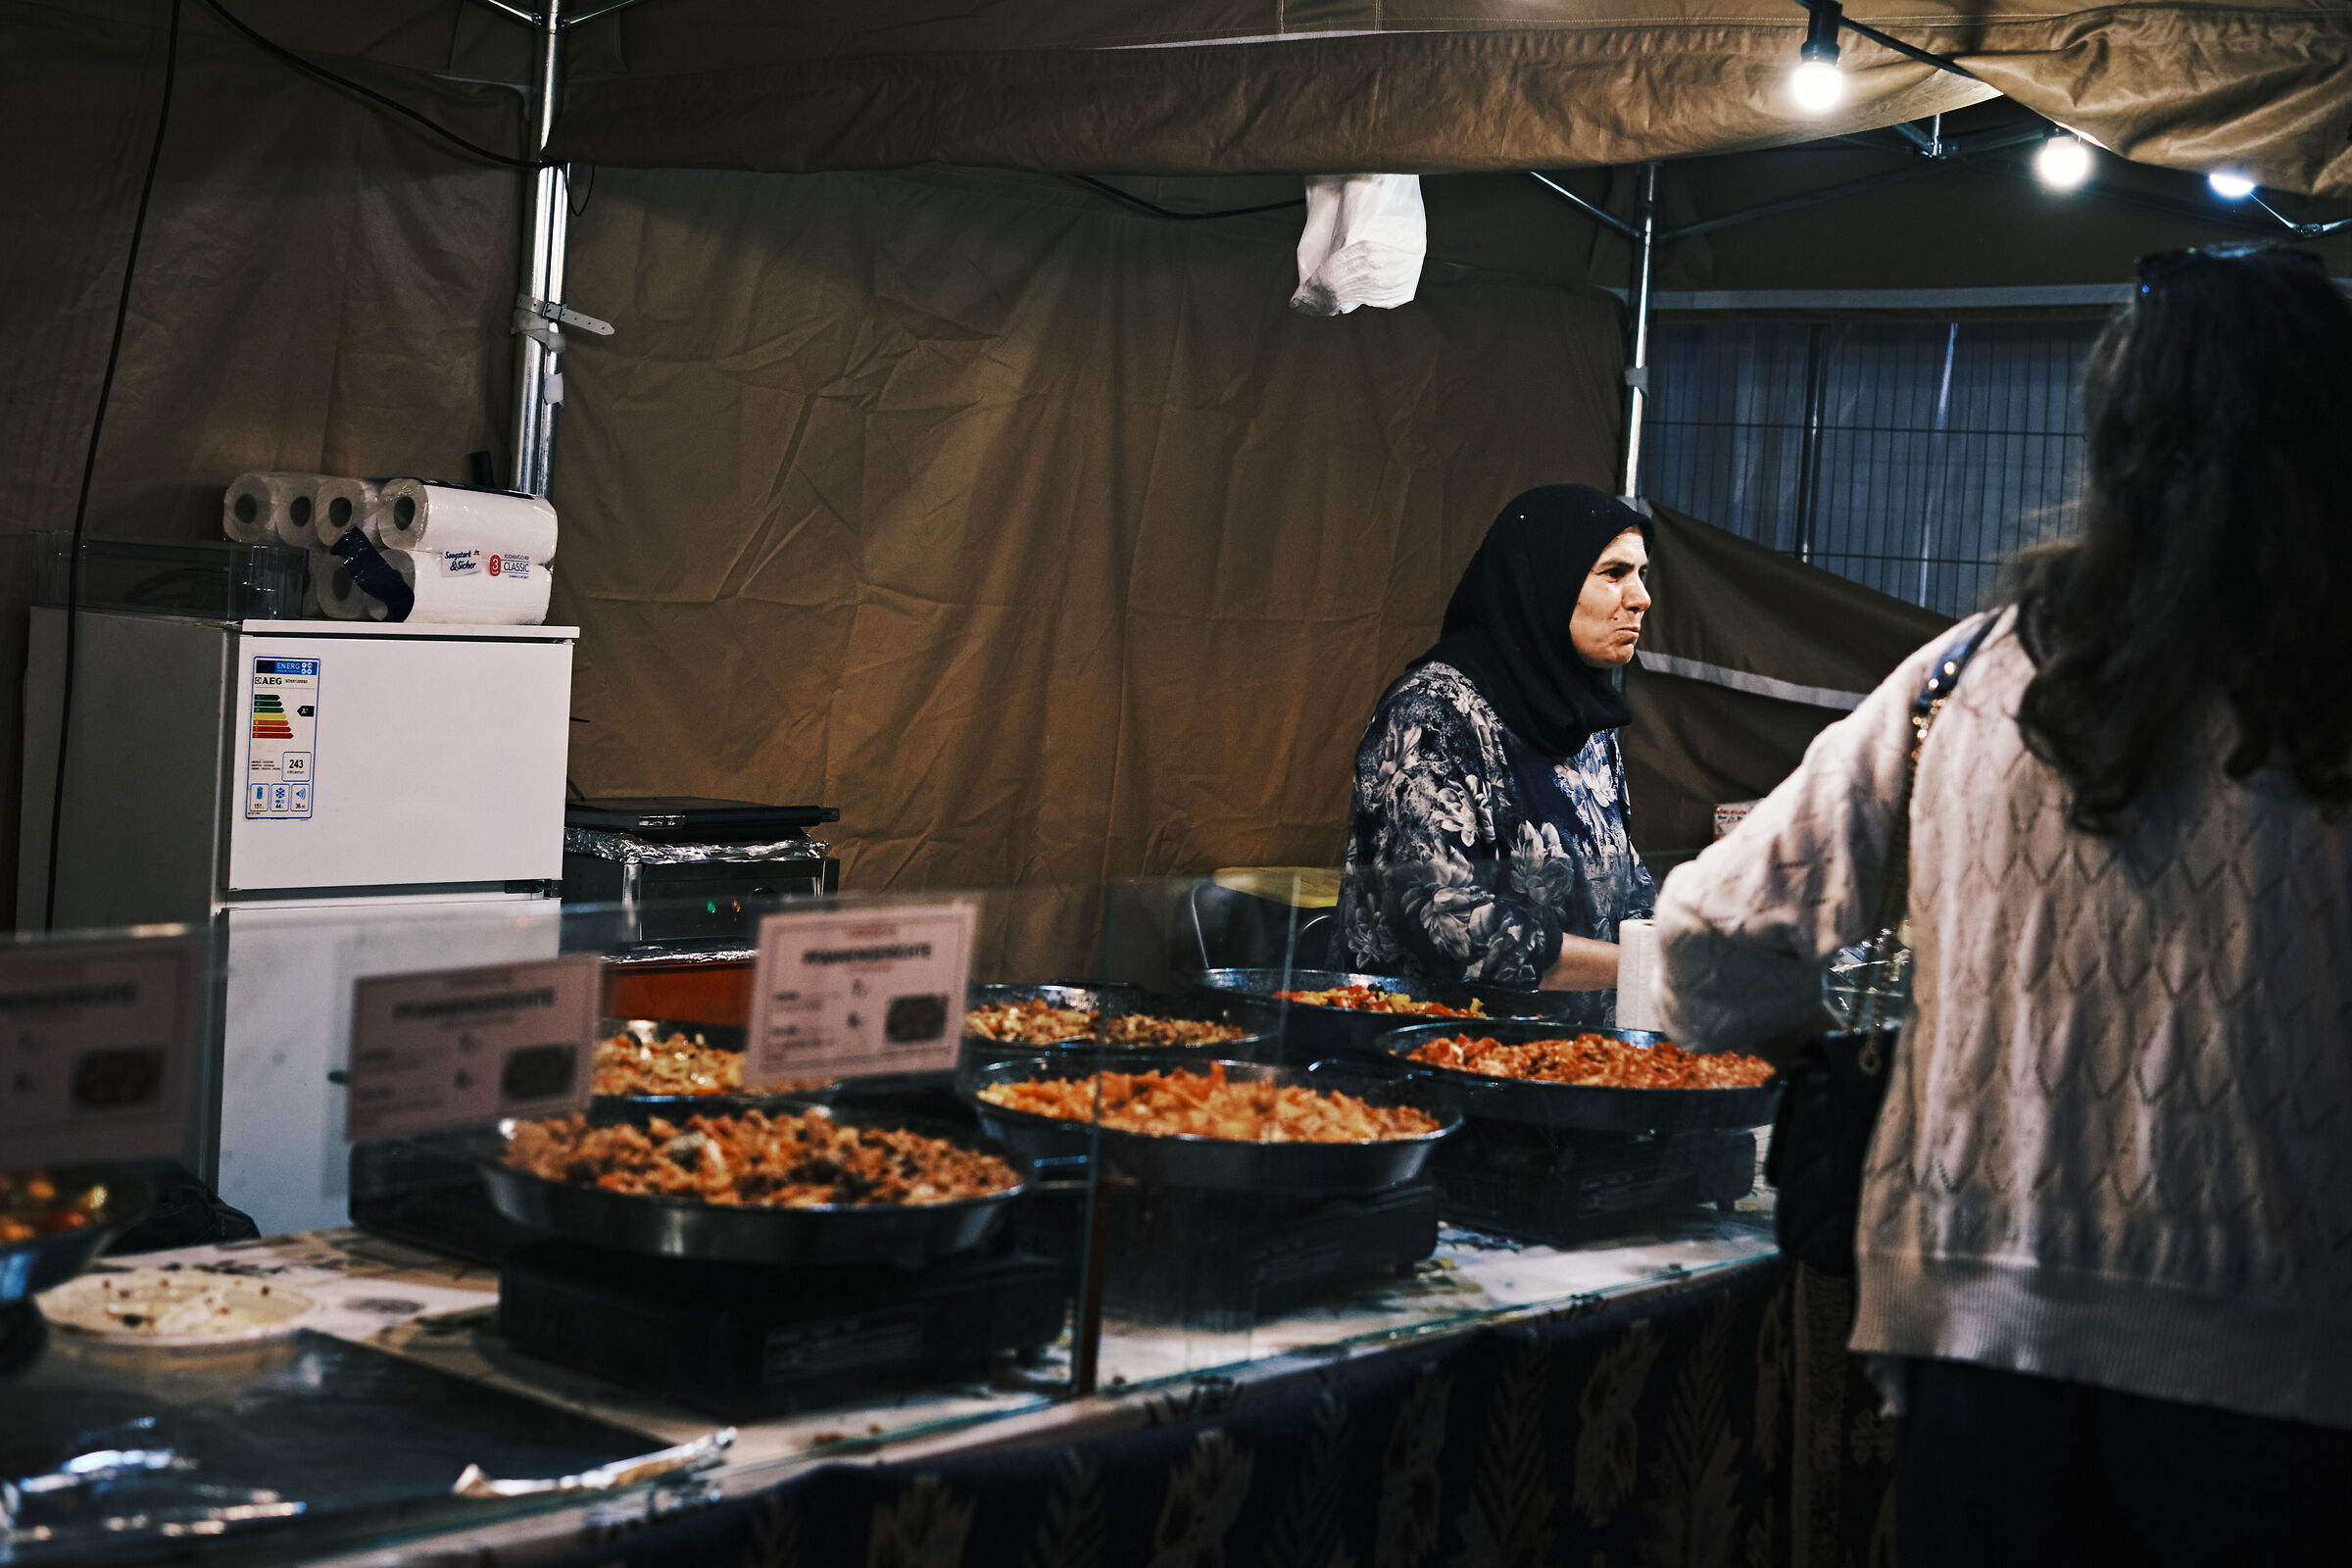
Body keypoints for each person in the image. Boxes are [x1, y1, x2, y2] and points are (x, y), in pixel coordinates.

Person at [1652, 244, 2352, 1565]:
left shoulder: (1965, 678)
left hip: (1977, 1358)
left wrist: (1836, 1049)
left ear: (2116, 439)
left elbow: (1702, 945)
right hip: (2276, 1373)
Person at [1337, 484, 1654, 1018]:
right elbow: (1453, 925)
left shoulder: (1587, 724)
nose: (1641, 596)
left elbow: (1629, 888)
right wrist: (1643, 964)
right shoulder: (1431, 715)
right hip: (1440, 1059)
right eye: (1614, 573)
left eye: (1643, 574)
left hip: (1575, 1064)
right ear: (1543, 582)